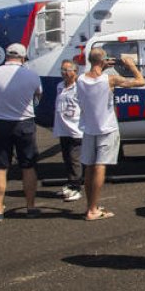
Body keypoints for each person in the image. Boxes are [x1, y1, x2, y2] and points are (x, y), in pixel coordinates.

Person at [77, 48, 143, 221]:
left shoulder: (81, 79)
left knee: (89, 168)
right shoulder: (110, 79)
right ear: (103, 61)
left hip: (89, 128)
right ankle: (93, 210)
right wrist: (131, 65)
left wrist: (102, 66)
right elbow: (140, 81)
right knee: (100, 166)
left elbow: (94, 78)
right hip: (106, 128)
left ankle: (90, 206)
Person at [0, 43, 42, 221]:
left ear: (6, 55)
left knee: (0, 168)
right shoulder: (32, 75)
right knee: (28, 166)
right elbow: (38, 96)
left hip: (0, 122)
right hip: (24, 123)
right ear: (23, 58)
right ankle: (30, 207)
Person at [52, 60, 83, 202]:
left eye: (66, 70)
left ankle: (76, 187)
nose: (63, 73)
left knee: (75, 158)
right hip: (62, 129)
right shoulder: (60, 86)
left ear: (75, 72)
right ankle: (71, 184)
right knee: (67, 158)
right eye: (62, 70)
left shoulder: (80, 87)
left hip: (75, 128)